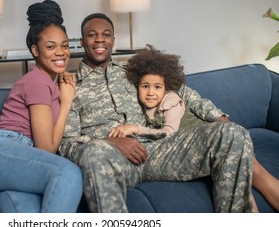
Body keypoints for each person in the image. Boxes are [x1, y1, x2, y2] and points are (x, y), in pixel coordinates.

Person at [58, 12, 276, 213]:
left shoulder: (131, 71)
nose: (99, 40)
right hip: (113, 159)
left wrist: (216, 116)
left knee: (231, 133)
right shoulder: (70, 85)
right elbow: (66, 142)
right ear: (82, 41)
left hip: (158, 149)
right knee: (93, 152)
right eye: (92, 35)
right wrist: (110, 142)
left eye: (106, 35)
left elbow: (182, 90)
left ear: (113, 40)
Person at [110, 45, 279, 212]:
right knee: (244, 173)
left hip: (208, 137)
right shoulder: (138, 97)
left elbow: (176, 125)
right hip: (196, 144)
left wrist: (221, 119)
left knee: (254, 171)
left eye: (157, 87)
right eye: (145, 86)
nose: (150, 91)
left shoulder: (171, 97)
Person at [0, 0, 83, 213]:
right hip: (0, 152)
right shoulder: (38, 82)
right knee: (67, 173)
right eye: (50, 47)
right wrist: (66, 102)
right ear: (35, 50)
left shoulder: (48, 82)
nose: (61, 52)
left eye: (65, 45)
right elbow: (47, 148)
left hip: (18, 161)